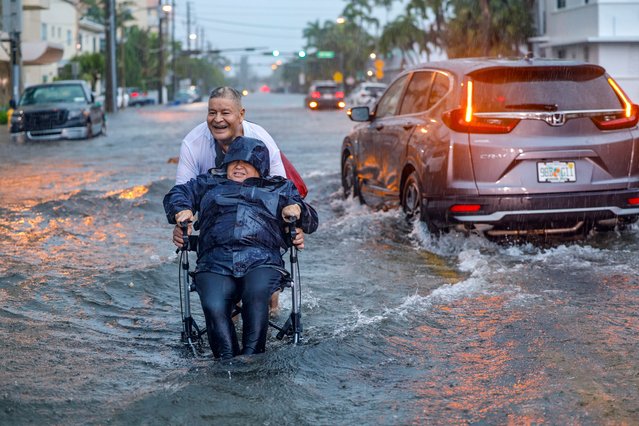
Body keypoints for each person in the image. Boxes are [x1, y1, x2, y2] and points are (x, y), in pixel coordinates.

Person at [164, 137, 318, 359]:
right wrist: (181, 209)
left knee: (256, 295)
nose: (238, 166)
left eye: (246, 162)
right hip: (214, 260)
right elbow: (177, 194)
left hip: (262, 260)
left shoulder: (279, 187)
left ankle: (251, 359)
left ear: (261, 167)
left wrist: (297, 209)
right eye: (233, 162)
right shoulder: (208, 183)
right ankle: (226, 361)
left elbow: (312, 221)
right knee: (214, 304)